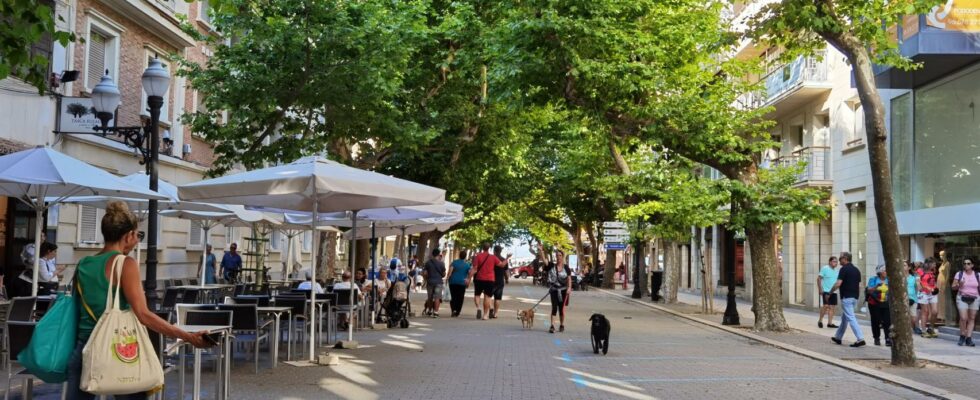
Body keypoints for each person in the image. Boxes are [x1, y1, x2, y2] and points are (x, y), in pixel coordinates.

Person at [68, 201, 208, 400]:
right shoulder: (126, 264)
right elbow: (143, 315)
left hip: (83, 351)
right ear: (128, 236)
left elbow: (76, 307)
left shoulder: (83, 264)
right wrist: (187, 336)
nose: (137, 241)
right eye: (138, 236)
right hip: (119, 350)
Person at [831, 251, 866, 347]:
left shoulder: (843, 269)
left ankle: (860, 338)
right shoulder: (856, 270)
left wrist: (830, 292)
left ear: (845, 258)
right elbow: (860, 285)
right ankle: (838, 337)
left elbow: (838, 283)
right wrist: (857, 296)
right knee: (845, 318)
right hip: (854, 297)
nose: (839, 260)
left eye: (840, 258)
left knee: (850, 317)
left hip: (846, 297)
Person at [540, 244, 571, 334]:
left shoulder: (566, 268)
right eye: (557, 255)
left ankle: (561, 324)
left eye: (560, 255)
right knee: (554, 308)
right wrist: (541, 251)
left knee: (561, 309)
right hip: (554, 290)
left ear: (562, 256)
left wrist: (569, 288)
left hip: (564, 290)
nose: (558, 257)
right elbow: (544, 261)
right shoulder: (551, 266)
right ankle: (552, 326)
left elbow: (569, 279)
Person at [469, 243, 500, 320]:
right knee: (487, 297)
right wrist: (507, 258)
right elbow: (502, 265)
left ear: (482, 248)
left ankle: (478, 308)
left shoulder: (478, 256)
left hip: (479, 279)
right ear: (489, 248)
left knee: (477, 295)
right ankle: (485, 315)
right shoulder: (493, 257)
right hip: (490, 280)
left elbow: (474, 269)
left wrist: (468, 278)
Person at [952, 256, 979, 347]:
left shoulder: (978, 275)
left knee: (972, 318)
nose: (966, 265)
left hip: (974, 298)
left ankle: (969, 338)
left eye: (968, 264)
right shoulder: (959, 274)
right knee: (963, 318)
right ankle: (962, 335)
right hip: (962, 297)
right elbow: (953, 287)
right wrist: (959, 284)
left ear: (972, 265)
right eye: (964, 264)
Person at [866, 265, 891, 346]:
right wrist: (876, 286)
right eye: (884, 271)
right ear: (880, 272)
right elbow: (869, 290)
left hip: (886, 303)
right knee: (876, 321)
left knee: (887, 322)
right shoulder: (873, 279)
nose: (886, 272)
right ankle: (876, 338)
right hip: (874, 303)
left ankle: (888, 338)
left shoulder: (889, 280)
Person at [917, 257, 940, 338]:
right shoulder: (920, 271)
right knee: (925, 312)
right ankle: (923, 330)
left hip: (932, 293)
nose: (935, 265)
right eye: (933, 263)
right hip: (923, 293)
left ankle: (930, 328)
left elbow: (933, 280)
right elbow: (919, 282)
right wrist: (927, 288)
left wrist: (936, 287)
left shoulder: (933, 271)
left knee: (935, 312)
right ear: (928, 263)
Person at [446, 251, 471, 317]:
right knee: (460, 297)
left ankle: (453, 310)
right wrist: (468, 281)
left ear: (459, 255)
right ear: (465, 256)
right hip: (462, 283)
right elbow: (469, 274)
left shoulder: (454, 263)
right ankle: (458, 311)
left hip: (453, 282)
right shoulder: (467, 265)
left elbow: (450, 272)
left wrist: (447, 279)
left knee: (453, 296)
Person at [817, 256, 840, 329]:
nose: (835, 263)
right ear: (830, 262)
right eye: (834, 261)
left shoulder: (837, 271)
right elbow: (819, 279)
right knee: (826, 306)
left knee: (832, 307)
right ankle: (820, 320)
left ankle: (830, 323)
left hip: (833, 291)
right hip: (826, 291)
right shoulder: (825, 268)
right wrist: (820, 289)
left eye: (836, 262)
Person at [423, 248, 447, 317]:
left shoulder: (428, 263)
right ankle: (436, 312)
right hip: (438, 283)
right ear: (439, 254)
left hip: (430, 282)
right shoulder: (441, 263)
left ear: (432, 254)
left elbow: (425, 273)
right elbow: (443, 274)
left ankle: (430, 311)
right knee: (437, 297)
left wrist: (426, 278)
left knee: (430, 297)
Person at [491, 245, 511, 319]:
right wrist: (506, 279)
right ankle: (495, 313)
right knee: (497, 298)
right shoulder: (503, 260)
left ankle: (490, 308)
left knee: (488, 296)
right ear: (501, 251)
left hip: (491, 280)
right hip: (500, 281)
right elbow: (506, 271)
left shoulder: (491, 258)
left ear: (494, 251)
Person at [906, 260, 920, 333]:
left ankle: (912, 327)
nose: (903, 267)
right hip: (902, 300)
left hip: (912, 300)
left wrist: (918, 283)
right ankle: (907, 331)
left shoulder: (913, 278)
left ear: (909, 268)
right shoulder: (899, 278)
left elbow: (919, 289)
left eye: (904, 265)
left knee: (913, 319)